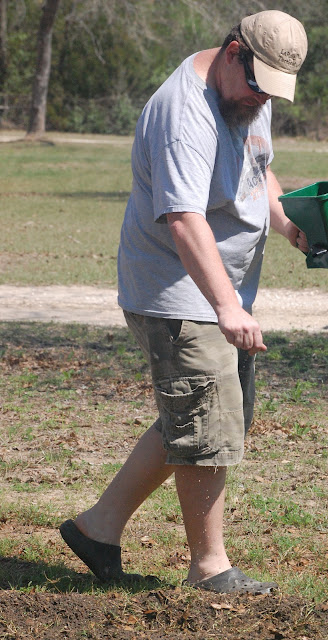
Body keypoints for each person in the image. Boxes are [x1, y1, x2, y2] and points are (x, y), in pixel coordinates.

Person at [60, 9, 309, 595]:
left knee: (209, 414)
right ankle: (209, 568)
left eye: (272, 91)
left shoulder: (246, 93)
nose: (262, 99)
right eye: (258, 85)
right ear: (233, 52)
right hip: (180, 293)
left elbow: (259, 169)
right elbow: (183, 218)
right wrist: (227, 306)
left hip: (216, 293)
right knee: (207, 423)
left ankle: (98, 528)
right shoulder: (184, 115)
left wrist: (288, 223)